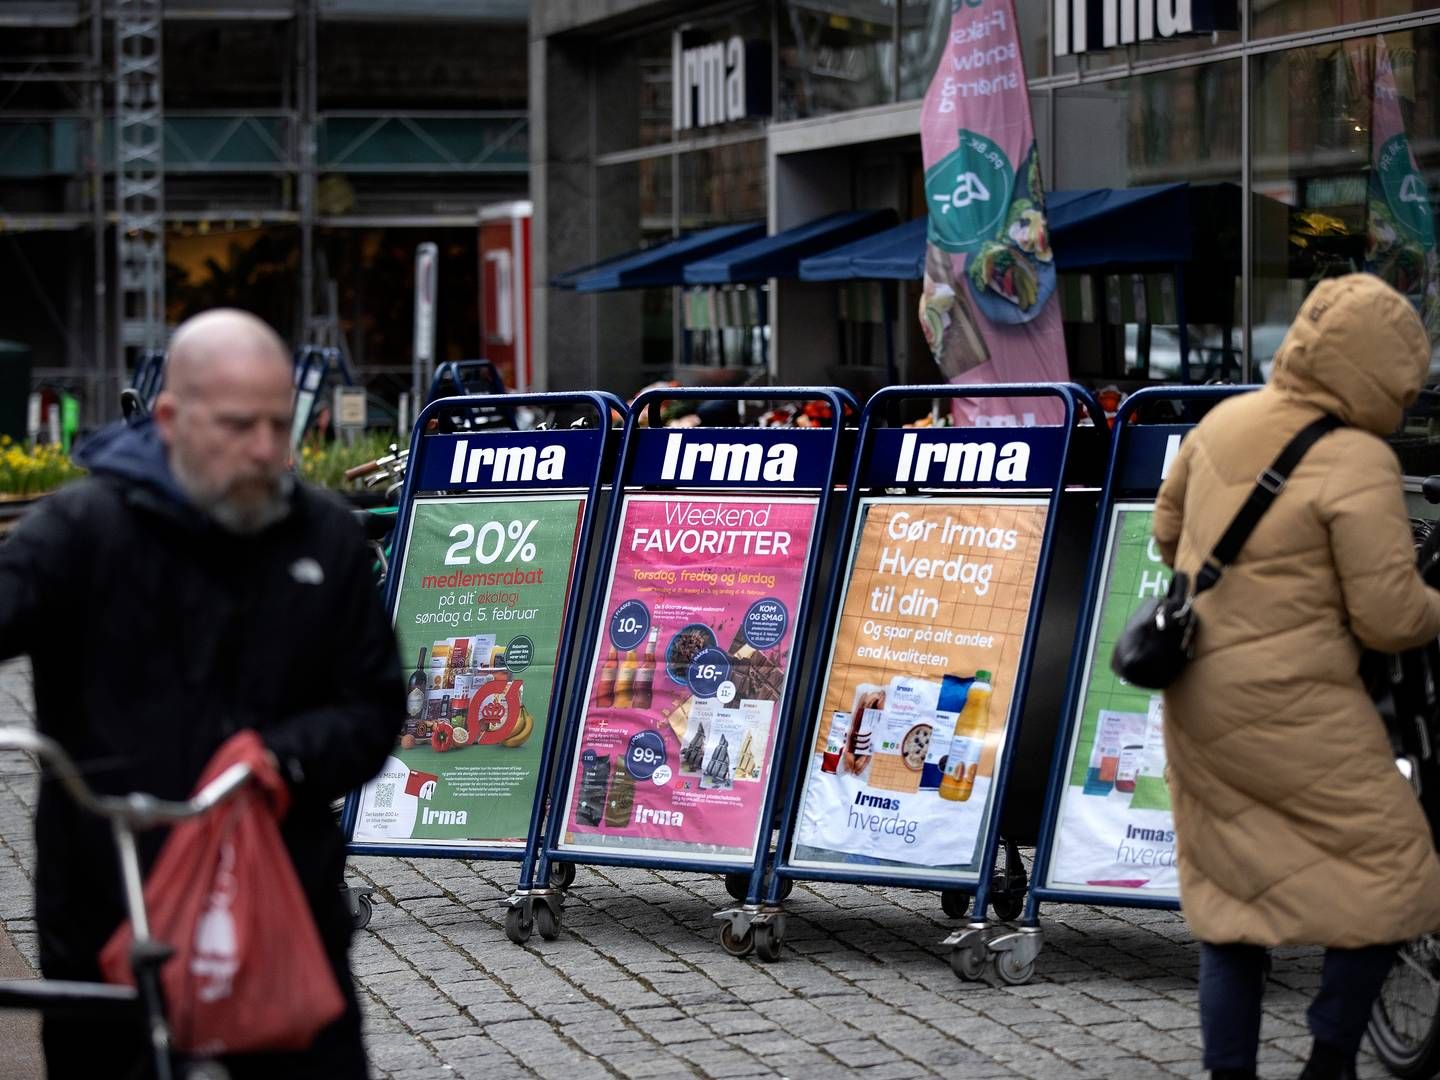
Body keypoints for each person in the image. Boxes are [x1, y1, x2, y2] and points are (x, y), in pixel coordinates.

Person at [0, 309, 403, 1077]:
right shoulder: (82, 531)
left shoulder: (322, 537)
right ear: (170, 419)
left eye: (279, 424)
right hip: (114, 886)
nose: (263, 450)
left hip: (280, 883)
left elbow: (376, 706)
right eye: (237, 424)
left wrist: (284, 756)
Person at [1154, 273, 1440, 1080]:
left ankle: (1233, 1074)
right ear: (1381, 369)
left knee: (1231, 905)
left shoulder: (1222, 421)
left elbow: (1166, 538)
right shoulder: (1358, 458)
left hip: (1199, 696)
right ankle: (1329, 1060)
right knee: (1400, 875)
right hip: (1297, 704)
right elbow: (1389, 617)